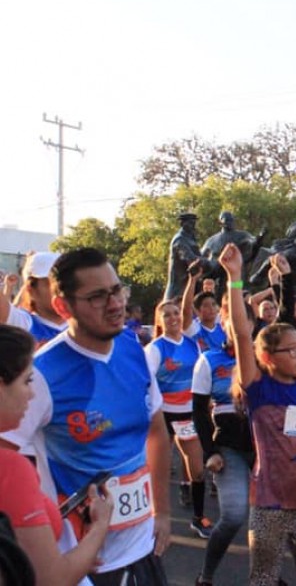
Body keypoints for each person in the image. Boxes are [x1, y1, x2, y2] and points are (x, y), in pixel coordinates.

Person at [0, 247, 171, 584]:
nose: (115, 304)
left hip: (143, 547)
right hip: (85, 563)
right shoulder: (43, 374)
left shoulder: (132, 348)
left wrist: (162, 511)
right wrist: (41, 540)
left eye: (116, 290)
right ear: (64, 306)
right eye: (97, 297)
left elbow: (156, 430)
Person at [219, 242, 296, 585]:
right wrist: (235, 277)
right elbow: (243, 334)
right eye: (292, 350)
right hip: (270, 507)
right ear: (268, 357)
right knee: (264, 579)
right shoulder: (259, 388)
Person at [0, 325, 113, 585]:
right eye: (27, 381)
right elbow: (52, 579)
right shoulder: (10, 468)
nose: (32, 393)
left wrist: (78, 556)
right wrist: (100, 525)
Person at [192, 307, 256, 586]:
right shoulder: (208, 359)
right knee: (232, 516)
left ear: (253, 325)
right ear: (224, 326)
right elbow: (198, 411)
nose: (238, 329)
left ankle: (264, 576)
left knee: (267, 521)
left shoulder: (264, 357)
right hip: (228, 448)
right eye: (232, 324)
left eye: (244, 323)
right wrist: (210, 451)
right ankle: (205, 576)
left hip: (265, 449)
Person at [145, 299, 211, 539]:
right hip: (162, 415)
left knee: (197, 468)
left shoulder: (194, 346)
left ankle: (198, 518)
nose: (173, 318)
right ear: (160, 321)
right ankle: (153, 519)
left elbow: (204, 376)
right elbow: (145, 381)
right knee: (157, 469)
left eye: (176, 313)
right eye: (167, 315)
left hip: (187, 414)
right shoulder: (155, 348)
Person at [0, 252, 67, 347]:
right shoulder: (23, 324)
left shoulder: (85, 325)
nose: (60, 290)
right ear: (30, 289)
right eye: (51, 283)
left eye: (65, 282)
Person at [166, 212, 212, 300]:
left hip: (190, 286)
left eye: (194, 223)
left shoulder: (190, 238)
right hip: (179, 288)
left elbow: (198, 257)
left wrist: (205, 255)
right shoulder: (179, 240)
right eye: (190, 223)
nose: (193, 226)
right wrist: (208, 261)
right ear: (182, 224)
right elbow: (191, 259)